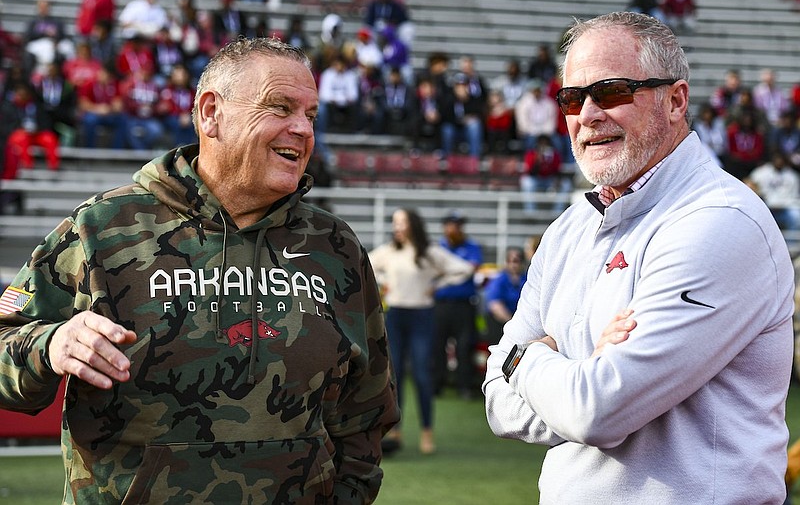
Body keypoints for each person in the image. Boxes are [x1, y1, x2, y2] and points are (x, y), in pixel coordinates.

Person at [0, 36, 399, 503]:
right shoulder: (100, 229)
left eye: (310, 115)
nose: (304, 129)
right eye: (281, 107)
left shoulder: (335, 246)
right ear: (211, 113)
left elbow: (367, 410)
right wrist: (51, 344)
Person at [483, 11, 794, 503]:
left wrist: (527, 358)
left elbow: (597, 410)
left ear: (676, 101)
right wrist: (580, 375)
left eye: (611, 92)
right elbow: (497, 403)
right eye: (570, 98)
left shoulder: (722, 220)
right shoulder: (570, 227)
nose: (587, 115)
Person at [369, 207, 473, 454]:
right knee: (394, 379)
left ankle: (427, 431)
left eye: (401, 222)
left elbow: (465, 269)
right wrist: (384, 283)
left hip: (422, 317)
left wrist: (438, 285)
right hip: (395, 316)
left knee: (422, 375)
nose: (397, 227)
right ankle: (395, 430)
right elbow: (364, 263)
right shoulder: (389, 251)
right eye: (394, 222)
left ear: (412, 224)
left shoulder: (430, 252)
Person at [433, 211, 482, 398]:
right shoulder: (438, 248)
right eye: (452, 224)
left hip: (464, 304)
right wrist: (458, 271)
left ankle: (465, 386)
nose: (455, 228)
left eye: (458, 225)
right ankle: (437, 384)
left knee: (465, 346)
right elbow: (437, 272)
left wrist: (448, 272)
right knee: (437, 345)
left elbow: (472, 269)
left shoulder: (472, 246)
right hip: (441, 304)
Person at [483, 246, 527, 345]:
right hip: (502, 322)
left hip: (523, 323)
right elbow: (495, 305)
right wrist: (512, 323)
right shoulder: (499, 280)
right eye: (509, 261)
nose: (513, 264)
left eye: (516, 261)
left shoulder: (527, 279)